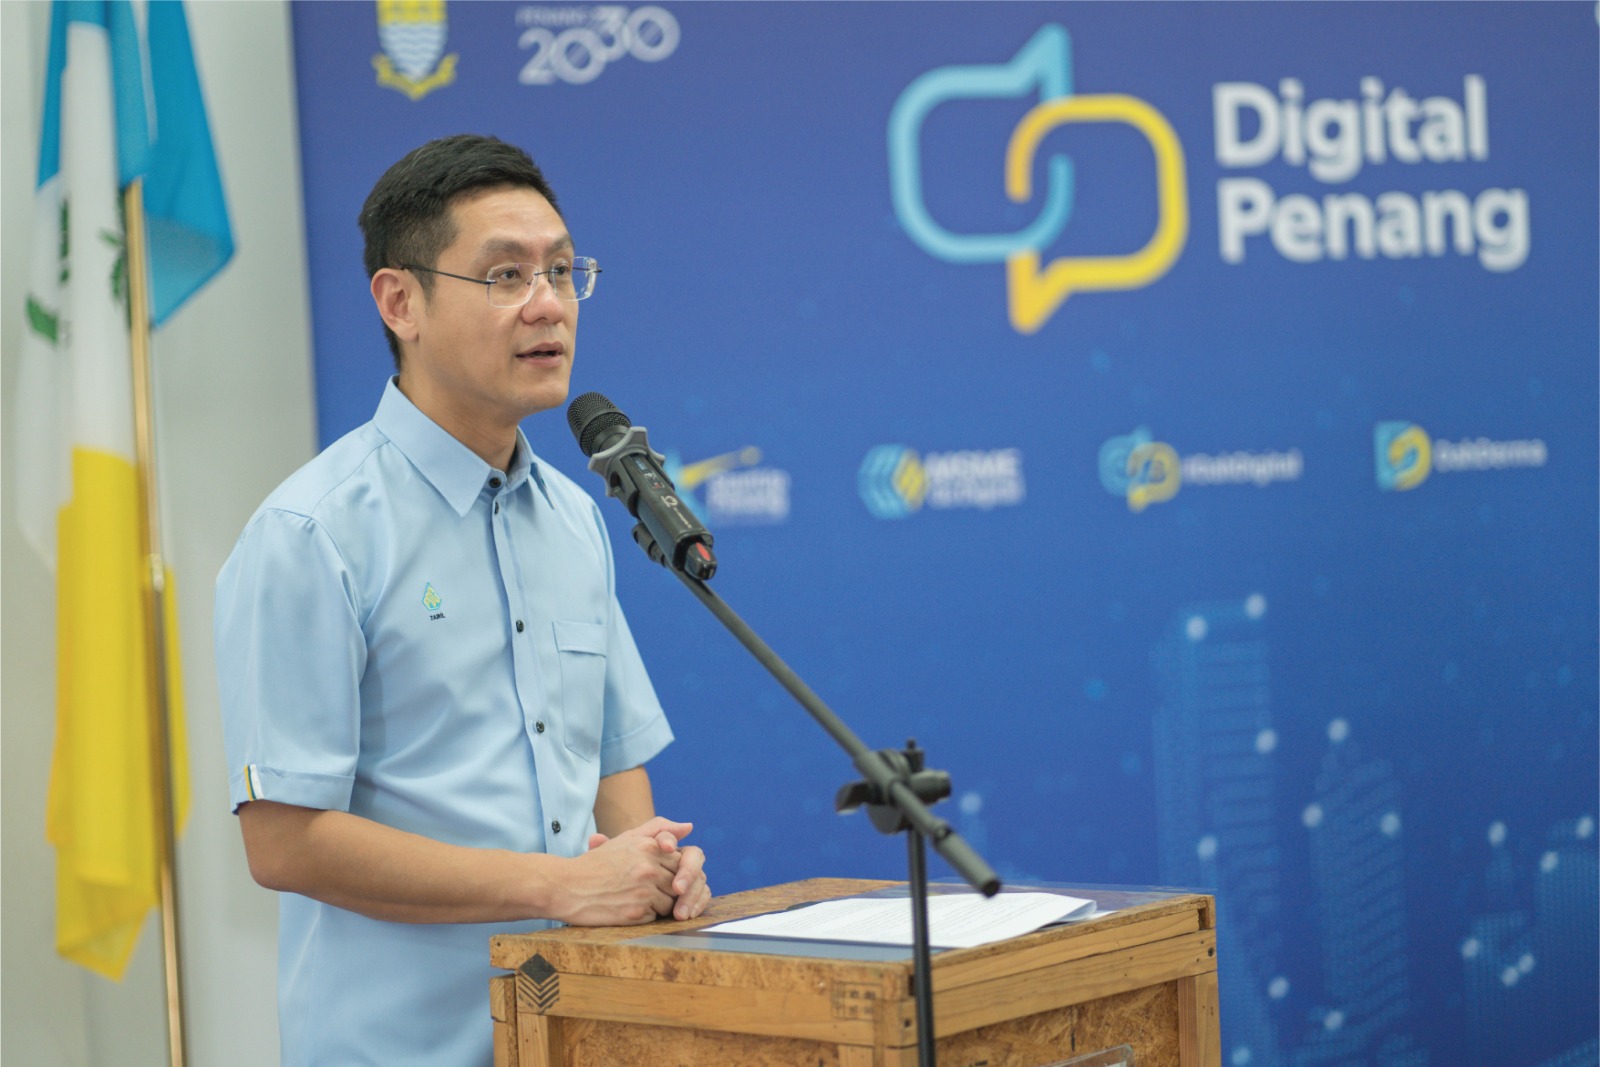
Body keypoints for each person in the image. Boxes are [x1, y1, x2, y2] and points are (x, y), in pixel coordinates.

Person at [214, 133, 709, 1066]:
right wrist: (559, 885)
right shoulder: (312, 533)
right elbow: (284, 842)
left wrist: (647, 869)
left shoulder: (575, 517)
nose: (548, 303)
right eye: (506, 275)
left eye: (562, 270)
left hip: (572, 1035)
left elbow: (610, 766)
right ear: (400, 301)